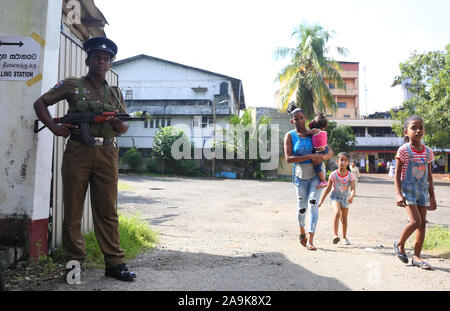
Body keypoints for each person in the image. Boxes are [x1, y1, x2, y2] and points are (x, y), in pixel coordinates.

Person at [33, 37, 136, 281]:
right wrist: (54, 128)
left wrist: (115, 123)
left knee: (107, 211)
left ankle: (114, 263)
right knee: (73, 210)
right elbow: (41, 103)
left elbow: (124, 128)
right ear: (88, 60)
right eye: (97, 57)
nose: (102, 62)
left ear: (110, 64)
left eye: (106, 58)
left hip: (107, 154)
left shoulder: (114, 91)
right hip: (78, 152)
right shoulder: (72, 84)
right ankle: (73, 265)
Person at [284, 105, 334, 250]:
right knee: (302, 208)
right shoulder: (290, 136)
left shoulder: (314, 133)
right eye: (296, 119)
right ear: (292, 121)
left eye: (301, 118)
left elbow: (330, 151)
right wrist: (310, 156)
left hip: (316, 175)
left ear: (305, 119)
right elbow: (288, 159)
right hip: (300, 175)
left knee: (313, 203)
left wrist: (321, 157)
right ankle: (302, 232)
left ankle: (311, 240)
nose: (299, 121)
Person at [393, 115, 437, 270]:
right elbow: (397, 174)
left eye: (421, 127)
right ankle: (399, 244)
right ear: (406, 132)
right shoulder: (403, 150)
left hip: (423, 191)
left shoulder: (428, 152)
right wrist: (398, 194)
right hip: (408, 191)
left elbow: (429, 176)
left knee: (422, 224)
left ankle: (417, 256)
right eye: (414, 128)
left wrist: (432, 196)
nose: (418, 130)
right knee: (415, 221)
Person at [319, 152, 356, 245]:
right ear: (337, 161)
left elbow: (353, 189)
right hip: (335, 197)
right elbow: (328, 188)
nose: (343, 162)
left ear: (348, 162)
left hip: (345, 198)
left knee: (344, 219)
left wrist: (351, 196)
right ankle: (335, 236)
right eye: (341, 160)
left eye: (345, 160)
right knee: (336, 213)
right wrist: (321, 201)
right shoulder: (333, 174)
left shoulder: (350, 175)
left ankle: (344, 237)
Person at [308, 113, 329, 188]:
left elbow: (306, 130)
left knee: (317, 168)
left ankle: (323, 181)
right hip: (324, 150)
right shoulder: (324, 132)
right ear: (326, 125)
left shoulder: (315, 130)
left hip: (319, 152)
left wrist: (312, 121)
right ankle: (323, 180)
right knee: (319, 167)